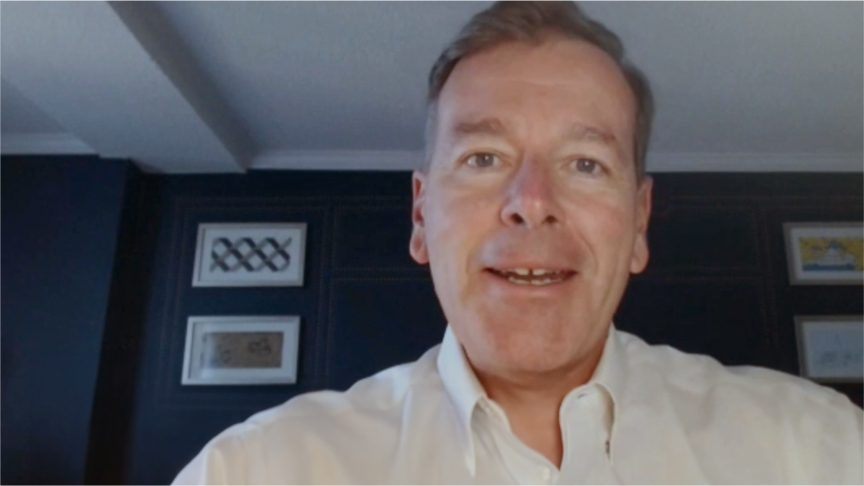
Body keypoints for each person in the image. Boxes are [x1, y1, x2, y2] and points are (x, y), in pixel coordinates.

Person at [174, 2, 863, 484]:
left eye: (585, 164)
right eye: (484, 158)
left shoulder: (819, 452)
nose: (532, 202)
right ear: (420, 215)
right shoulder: (253, 471)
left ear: (638, 223)